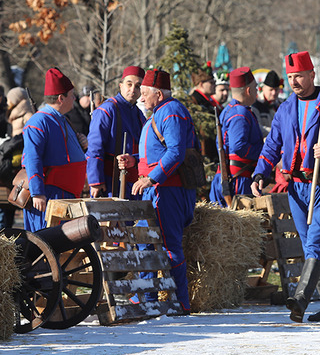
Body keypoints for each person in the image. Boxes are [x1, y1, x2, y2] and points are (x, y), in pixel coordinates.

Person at [251, 51, 320, 323]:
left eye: (298, 75)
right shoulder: (286, 108)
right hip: (296, 188)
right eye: (290, 77)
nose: (293, 81)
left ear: (312, 75)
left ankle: (300, 298)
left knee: (317, 243)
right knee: (312, 245)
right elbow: (273, 145)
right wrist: (260, 173)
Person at [123, 68, 200, 313]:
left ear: (158, 93)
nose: (141, 98)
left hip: (168, 191)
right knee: (144, 241)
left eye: (144, 93)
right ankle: (147, 297)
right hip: (156, 190)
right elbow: (157, 152)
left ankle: (180, 303)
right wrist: (135, 161)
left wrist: (151, 179)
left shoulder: (172, 112)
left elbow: (176, 152)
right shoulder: (159, 112)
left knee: (170, 246)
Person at [20, 68, 87, 232]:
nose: (74, 98)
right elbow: (32, 158)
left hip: (65, 195)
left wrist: (81, 145)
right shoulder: (38, 121)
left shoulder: (62, 119)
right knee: (46, 242)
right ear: (61, 98)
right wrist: (37, 193)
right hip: (49, 195)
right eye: (71, 95)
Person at [86, 66, 147, 199]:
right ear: (121, 85)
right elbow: (94, 148)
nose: (133, 89)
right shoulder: (107, 110)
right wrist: (96, 181)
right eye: (129, 84)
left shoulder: (139, 115)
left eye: (138, 86)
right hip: (109, 181)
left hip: (134, 184)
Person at [209, 67, 264, 207]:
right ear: (248, 90)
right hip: (238, 180)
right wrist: (262, 152)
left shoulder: (229, 110)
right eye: (255, 88)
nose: (257, 91)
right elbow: (238, 146)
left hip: (230, 178)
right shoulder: (240, 113)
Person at [251, 69, 282, 135]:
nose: (274, 93)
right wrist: (278, 132)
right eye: (271, 90)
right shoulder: (255, 105)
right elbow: (258, 128)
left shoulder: (281, 104)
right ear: (263, 88)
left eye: (276, 90)